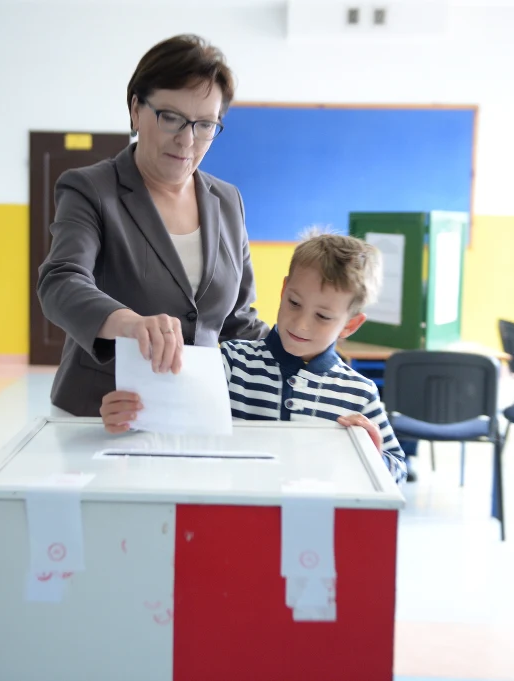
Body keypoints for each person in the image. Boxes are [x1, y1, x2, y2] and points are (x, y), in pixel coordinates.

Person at [37, 34, 268, 417]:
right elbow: (60, 280)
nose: (187, 140)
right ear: (135, 110)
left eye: (205, 125)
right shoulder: (91, 188)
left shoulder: (227, 201)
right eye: (171, 117)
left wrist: (324, 367)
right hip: (102, 413)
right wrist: (128, 323)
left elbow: (239, 321)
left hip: (197, 413)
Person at [101, 232, 408, 485]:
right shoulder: (232, 364)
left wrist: (371, 453)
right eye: (294, 302)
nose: (301, 323)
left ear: (350, 325)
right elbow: (170, 435)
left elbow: (397, 471)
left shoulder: (360, 393)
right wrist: (130, 421)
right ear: (284, 289)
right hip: (231, 520)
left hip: (307, 533)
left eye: (323, 316)